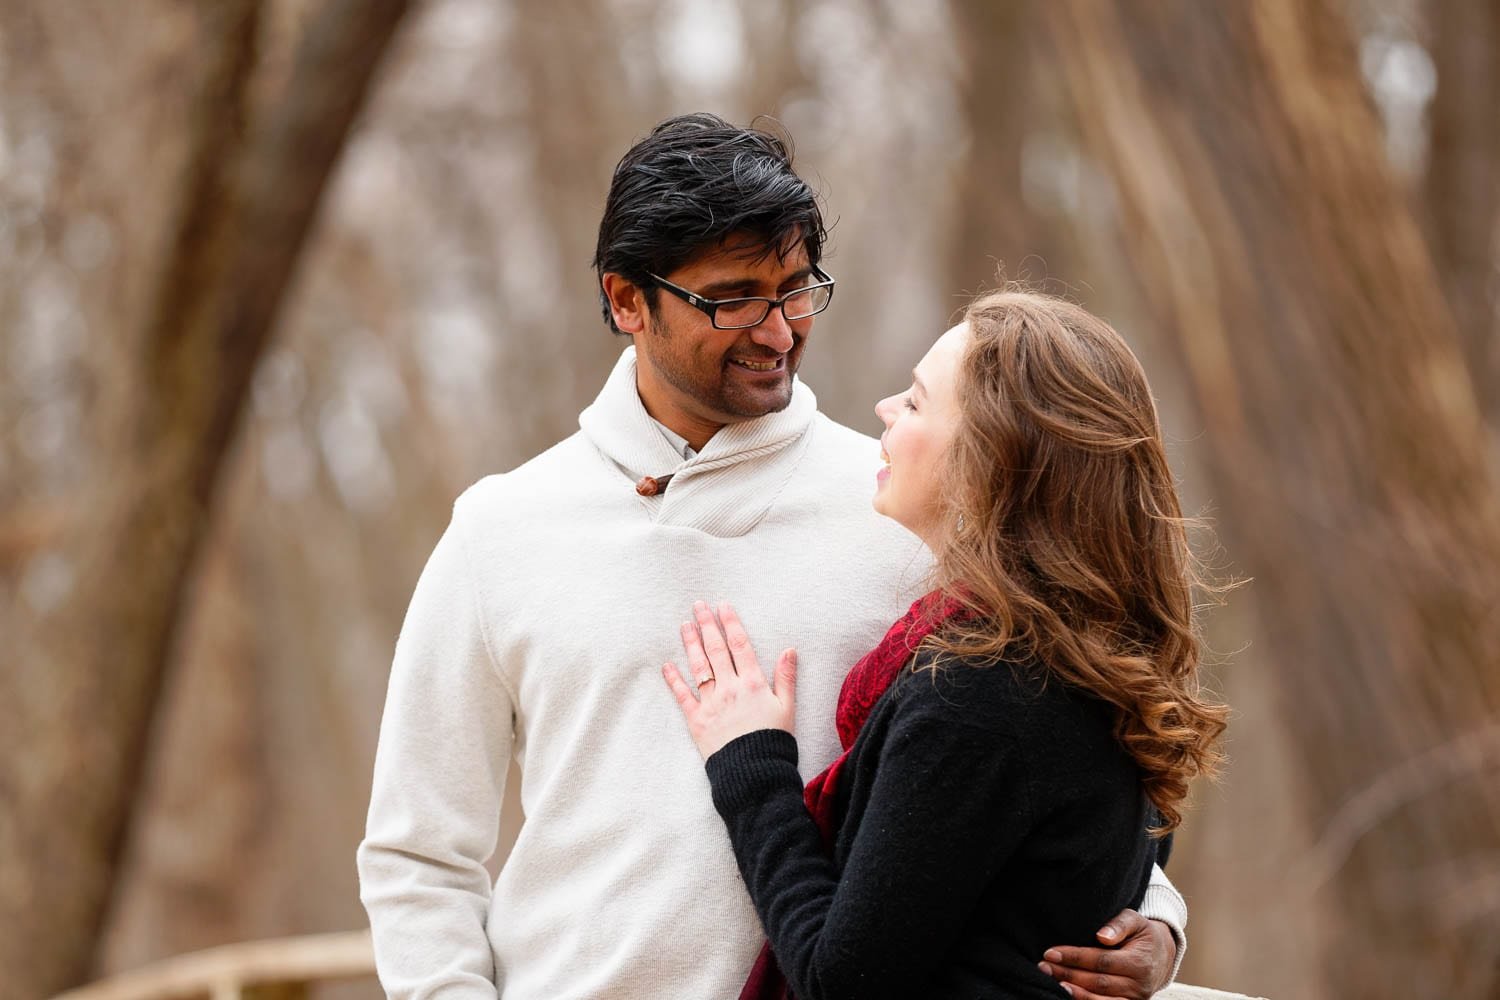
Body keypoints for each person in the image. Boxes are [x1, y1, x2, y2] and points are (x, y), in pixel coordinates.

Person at [357, 114, 1188, 1000]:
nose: (778, 330)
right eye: (732, 297)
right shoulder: (501, 530)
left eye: (796, 288)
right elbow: (419, 854)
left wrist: (1155, 917)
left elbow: (1061, 741)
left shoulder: (910, 504)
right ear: (628, 300)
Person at [663, 290, 1228, 1000]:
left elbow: (843, 981)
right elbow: (1128, 833)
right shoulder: (1083, 646)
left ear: (989, 462)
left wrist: (750, 766)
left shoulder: (978, 693)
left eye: (918, 402)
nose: (885, 409)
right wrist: (1159, 922)